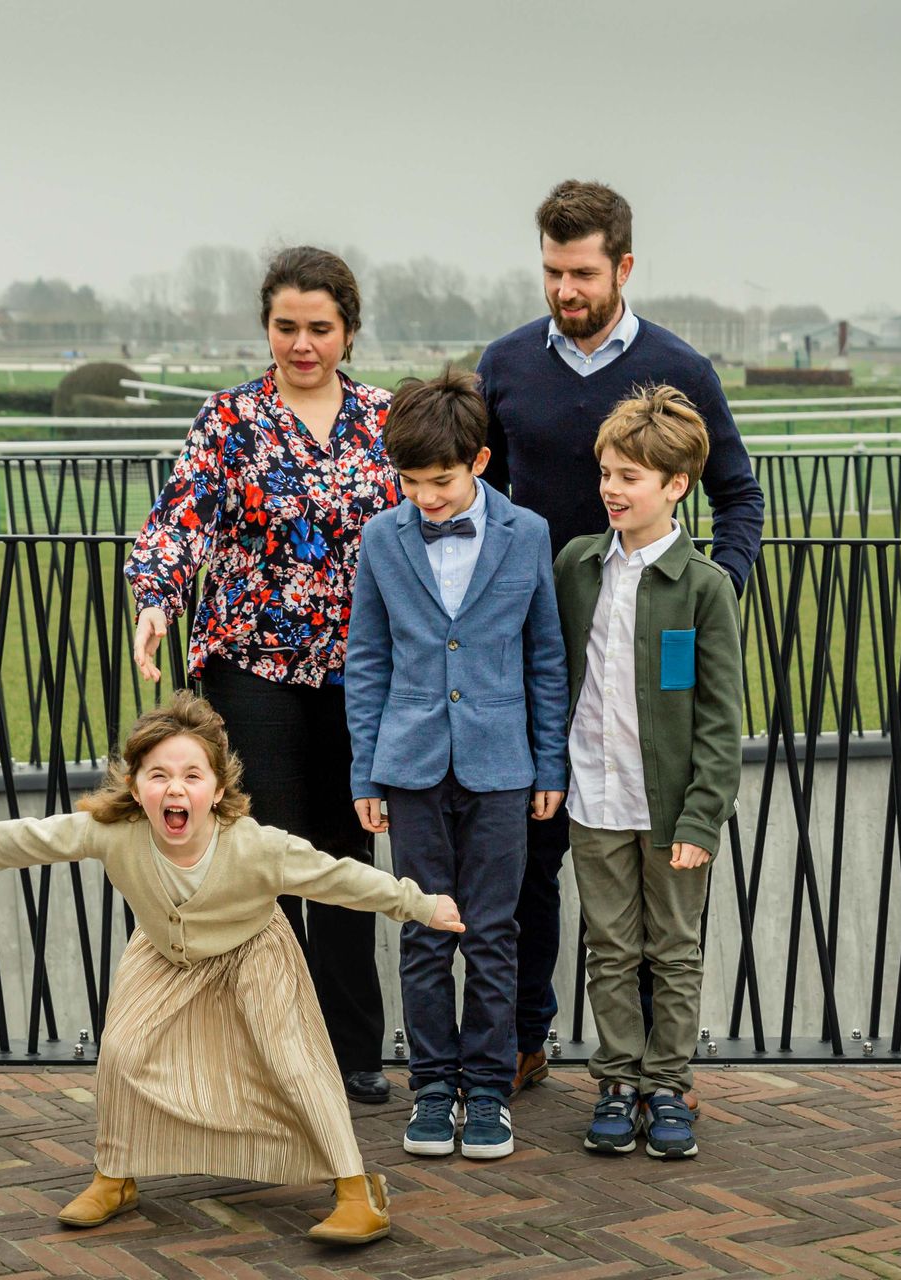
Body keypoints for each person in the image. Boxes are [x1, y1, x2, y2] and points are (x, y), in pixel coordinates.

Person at [0, 691, 465, 1244]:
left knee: (293, 1063)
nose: (175, 788)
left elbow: (341, 878)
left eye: (192, 775)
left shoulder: (257, 846)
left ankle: (356, 1189)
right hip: (163, 956)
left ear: (219, 788)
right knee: (122, 1052)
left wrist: (420, 905)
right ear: (135, 787)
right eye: (158, 775)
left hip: (255, 954)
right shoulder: (113, 832)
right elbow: (34, 837)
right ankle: (115, 1176)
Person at [476, 179, 764, 1091]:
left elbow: (739, 495)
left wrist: (711, 595)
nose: (565, 290)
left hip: (639, 658)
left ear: (624, 267)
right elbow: (476, 482)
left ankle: (655, 1075)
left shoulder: (681, 367)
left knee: (647, 897)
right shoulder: (507, 363)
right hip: (529, 656)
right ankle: (528, 1040)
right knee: (529, 863)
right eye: (553, 271)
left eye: (584, 272)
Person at [125, 247, 401, 1105]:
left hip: (359, 675)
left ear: (348, 331)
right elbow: (181, 520)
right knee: (268, 863)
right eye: (287, 327)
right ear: (267, 327)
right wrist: (157, 600)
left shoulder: (387, 420)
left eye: (321, 328)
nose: (303, 344)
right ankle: (281, 1047)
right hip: (253, 672)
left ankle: (355, 1049)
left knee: (345, 861)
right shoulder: (229, 419)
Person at [342, 370, 569, 1162]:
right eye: (408, 482)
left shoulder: (528, 534)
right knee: (422, 933)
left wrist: (549, 767)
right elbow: (366, 659)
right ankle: (432, 1090)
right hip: (408, 768)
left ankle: (488, 1088)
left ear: (477, 461)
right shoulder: (381, 539)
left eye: (439, 481)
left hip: (503, 767)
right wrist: (366, 773)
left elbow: (546, 657)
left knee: (496, 932)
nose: (424, 497)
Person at [553, 386, 743, 1157]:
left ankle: (668, 1084)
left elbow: (722, 718)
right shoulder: (578, 566)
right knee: (609, 947)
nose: (611, 489)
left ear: (676, 485)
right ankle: (618, 1079)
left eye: (630, 476)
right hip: (593, 798)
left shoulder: (704, 587)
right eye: (606, 472)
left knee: (673, 947)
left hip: (670, 811)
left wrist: (703, 816)